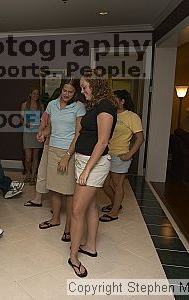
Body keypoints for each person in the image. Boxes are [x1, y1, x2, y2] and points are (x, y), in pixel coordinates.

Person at [69, 71, 118, 278]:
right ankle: (90, 246)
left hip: (94, 165)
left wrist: (87, 169)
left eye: (84, 86)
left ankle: (73, 258)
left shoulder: (106, 106)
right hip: (84, 161)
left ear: (96, 85)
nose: (82, 90)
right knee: (90, 205)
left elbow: (103, 142)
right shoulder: (95, 106)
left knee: (76, 210)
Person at [36, 79, 86, 244]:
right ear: (61, 89)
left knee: (69, 190)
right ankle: (55, 219)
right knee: (54, 188)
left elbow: (79, 133)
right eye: (65, 90)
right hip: (53, 150)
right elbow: (53, 127)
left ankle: (68, 228)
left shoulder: (79, 107)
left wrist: (67, 155)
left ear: (75, 93)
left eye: (70, 92)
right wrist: (43, 132)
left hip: (69, 152)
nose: (66, 94)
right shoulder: (51, 104)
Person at [100, 90, 144, 222]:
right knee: (104, 183)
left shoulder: (132, 117)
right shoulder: (110, 114)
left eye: (115, 99)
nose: (112, 101)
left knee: (117, 184)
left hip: (120, 155)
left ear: (122, 101)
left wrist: (130, 154)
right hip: (106, 153)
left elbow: (140, 138)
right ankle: (116, 204)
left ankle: (114, 212)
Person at [20, 87, 44, 184]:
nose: (35, 96)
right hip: (27, 132)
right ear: (30, 94)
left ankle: (33, 176)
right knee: (28, 157)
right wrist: (25, 123)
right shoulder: (24, 105)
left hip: (37, 131)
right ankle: (28, 174)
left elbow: (44, 120)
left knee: (35, 156)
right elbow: (21, 119)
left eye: (37, 94)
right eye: (34, 94)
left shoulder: (41, 106)